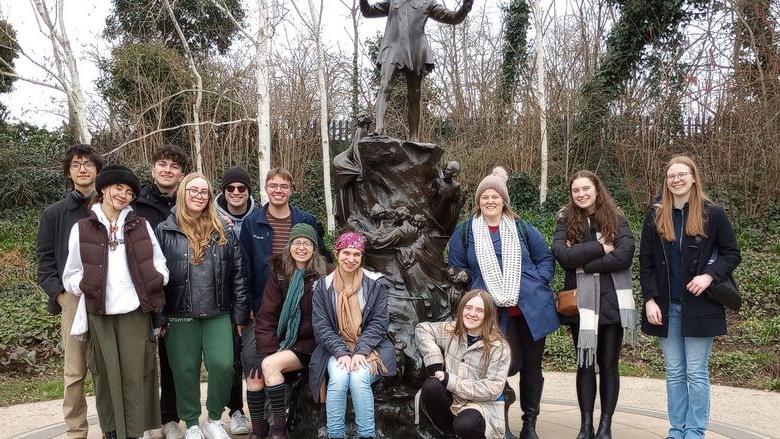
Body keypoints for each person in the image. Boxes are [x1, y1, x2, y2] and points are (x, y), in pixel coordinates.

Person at [448, 166, 559, 439]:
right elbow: (455, 266)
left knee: (533, 367)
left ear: (503, 199)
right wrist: (472, 283)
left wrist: (537, 280)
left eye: (495, 196)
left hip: (530, 309)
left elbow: (545, 258)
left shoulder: (521, 227)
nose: (490, 201)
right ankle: (499, 421)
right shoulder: (466, 231)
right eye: (484, 196)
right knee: (503, 365)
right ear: (478, 201)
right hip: (491, 312)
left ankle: (529, 423)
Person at [62, 164, 169, 439]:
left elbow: (162, 266)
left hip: (134, 311)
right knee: (106, 375)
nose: (123, 195)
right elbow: (71, 274)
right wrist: (84, 285)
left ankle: (133, 432)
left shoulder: (140, 225)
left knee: (136, 374)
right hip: (99, 311)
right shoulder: (82, 228)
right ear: (105, 189)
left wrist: (153, 281)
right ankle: (112, 431)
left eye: (130, 192)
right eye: (118, 188)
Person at [640, 156, 741, 439]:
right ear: (666, 181)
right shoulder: (655, 214)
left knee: (696, 372)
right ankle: (676, 430)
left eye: (682, 174)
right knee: (674, 372)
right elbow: (645, 261)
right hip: (666, 307)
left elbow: (732, 254)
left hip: (701, 306)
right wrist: (649, 299)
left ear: (693, 177)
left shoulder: (713, 214)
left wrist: (709, 275)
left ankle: (694, 431)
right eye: (671, 176)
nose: (676, 179)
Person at [155, 173, 250, 439]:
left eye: (204, 192)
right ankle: (192, 424)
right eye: (193, 191)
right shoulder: (165, 229)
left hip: (218, 311)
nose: (199, 196)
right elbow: (155, 277)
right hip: (179, 313)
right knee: (184, 370)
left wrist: (240, 312)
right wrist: (159, 317)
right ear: (183, 192)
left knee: (222, 365)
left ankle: (215, 419)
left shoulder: (224, 228)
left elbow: (239, 274)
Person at [239, 167, 331, 437]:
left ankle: (277, 428)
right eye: (273, 185)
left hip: (305, 339)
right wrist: (263, 342)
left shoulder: (320, 276)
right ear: (265, 188)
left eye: (284, 186)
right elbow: (245, 271)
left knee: (270, 366)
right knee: (255, 368)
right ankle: (260, 429)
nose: (278, 190)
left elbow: (320, 320)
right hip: (265, 315)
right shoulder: (254, 226)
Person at [551, 171, 637, 439]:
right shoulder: (565, 220)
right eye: (575, 190)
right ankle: (586, 426)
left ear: (597, 190)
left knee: (608, 364)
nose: (581, 194)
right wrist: (601, 249)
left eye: (585, 189)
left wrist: (585, 263)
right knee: (584, 364)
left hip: (611, 302)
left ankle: (605, 426)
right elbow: (563, 256)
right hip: (580, 305)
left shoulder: (616, 217)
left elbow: (625, 256)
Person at [36, 144, 104, 439]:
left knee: (105, 368)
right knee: (75, 372)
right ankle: (76, 430)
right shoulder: (54, 214)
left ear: (97, 170)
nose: (83, 169)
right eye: (76, 164)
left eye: (88, 164)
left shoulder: (111, 207)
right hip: (73, 299)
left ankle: (111, 427)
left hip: (107, 297)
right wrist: (61, 297)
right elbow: (45, 262)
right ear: (69, 172)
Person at [309, 231, 397, 439]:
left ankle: (367, 435)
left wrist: (361, 350)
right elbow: (321, 326)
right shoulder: (323, 286)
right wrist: (341, 352)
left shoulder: (374, 284)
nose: (351, 259)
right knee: (339, 379)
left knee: (358, 379)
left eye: (356, 254)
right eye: (346, 253)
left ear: (361, 256)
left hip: (370, 347)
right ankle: (335, 434)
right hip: (334, 348)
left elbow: (379, 322)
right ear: (337, 253)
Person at [133, 143, 191, 439]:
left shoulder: (189, 202)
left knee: (171, 360)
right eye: (162, 164)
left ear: (181, 175)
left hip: (178, 291)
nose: (167, 170)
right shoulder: (136, 202)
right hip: (142, 292)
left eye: (174, 166)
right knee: (141, 360)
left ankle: (170, 417)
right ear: (153, 169)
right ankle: (141, 420)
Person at [360, 0, 473, 141]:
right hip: (393, 46)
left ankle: (414, 137)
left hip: (416, 49)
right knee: (385, 84)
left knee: (414, 94)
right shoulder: (393, 1)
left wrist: (465, 8)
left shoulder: (427, 2)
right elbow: (367, 11)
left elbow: (452, 17)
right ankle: (379, 127)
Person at [416, 289, 511, 439]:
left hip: (481, 404)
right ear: (462, 309)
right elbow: (423, 329)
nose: (472, 313)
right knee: (431, 386)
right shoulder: (452, 331)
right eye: (468, 308)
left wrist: (451, 381)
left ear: (488, 315)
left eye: (479, 310)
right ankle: (449, 434)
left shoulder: (499, 347)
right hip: (454, 398)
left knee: (466, 425)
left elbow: (493, 389)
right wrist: (434, 364)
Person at [214, 166, 258, 434]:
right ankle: (236, 411)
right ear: (224, 191)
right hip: (223, 299)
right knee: (229, 360)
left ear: (248, 191)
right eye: (230, 188)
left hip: (256, 298)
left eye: (241, 188)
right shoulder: (211, 217)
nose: (236, 193)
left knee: (254, 355)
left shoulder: (259, 216)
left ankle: (263, 409)